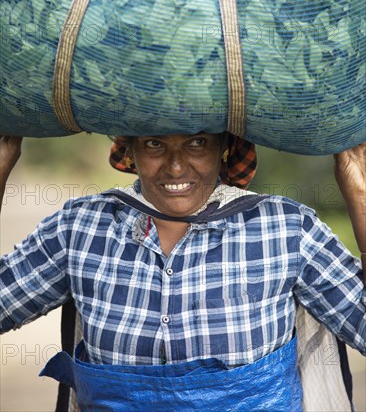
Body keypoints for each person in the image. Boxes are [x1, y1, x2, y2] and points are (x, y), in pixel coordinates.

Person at [0, 133, 365, 411]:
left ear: (223, 147)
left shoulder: (285, 229)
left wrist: (357, 188)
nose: (175, 167)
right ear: (130, 149)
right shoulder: (80, 228)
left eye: (197, 143)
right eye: (155, 144)